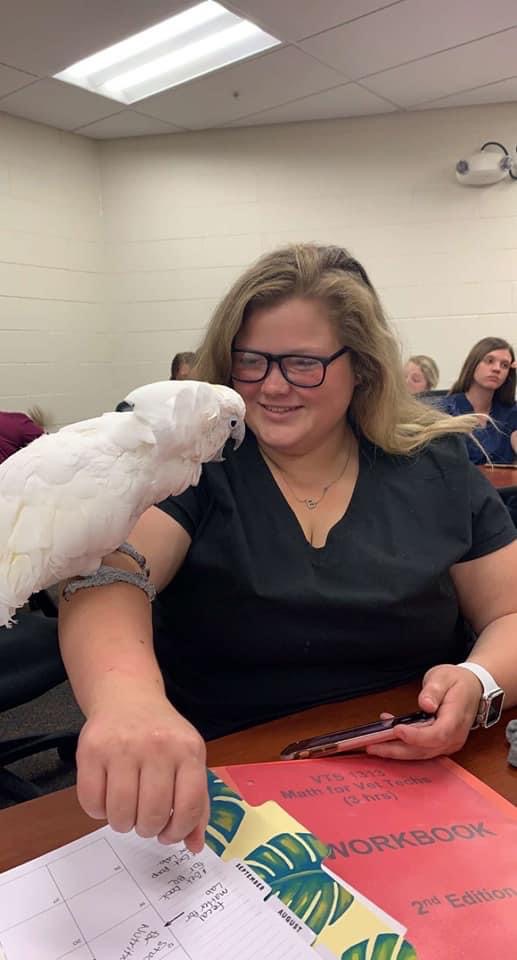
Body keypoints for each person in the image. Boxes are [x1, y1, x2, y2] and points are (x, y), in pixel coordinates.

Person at [59, 244, 517, 855]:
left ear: (362, 367)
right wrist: (126, 701)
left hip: (410, 766)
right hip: (225, 780)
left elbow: (510, 613)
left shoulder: (434, 466)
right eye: (250, 361)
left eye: (303, 363)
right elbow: (110, 576)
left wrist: (479, 680)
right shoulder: (195, 465)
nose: (271, 386)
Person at [443, 337, 517, 464]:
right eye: (489, 361)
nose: (497, 369)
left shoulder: (511, 412)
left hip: (505, 483)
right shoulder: (446, 410)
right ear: (473, 364)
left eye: (504, 365)